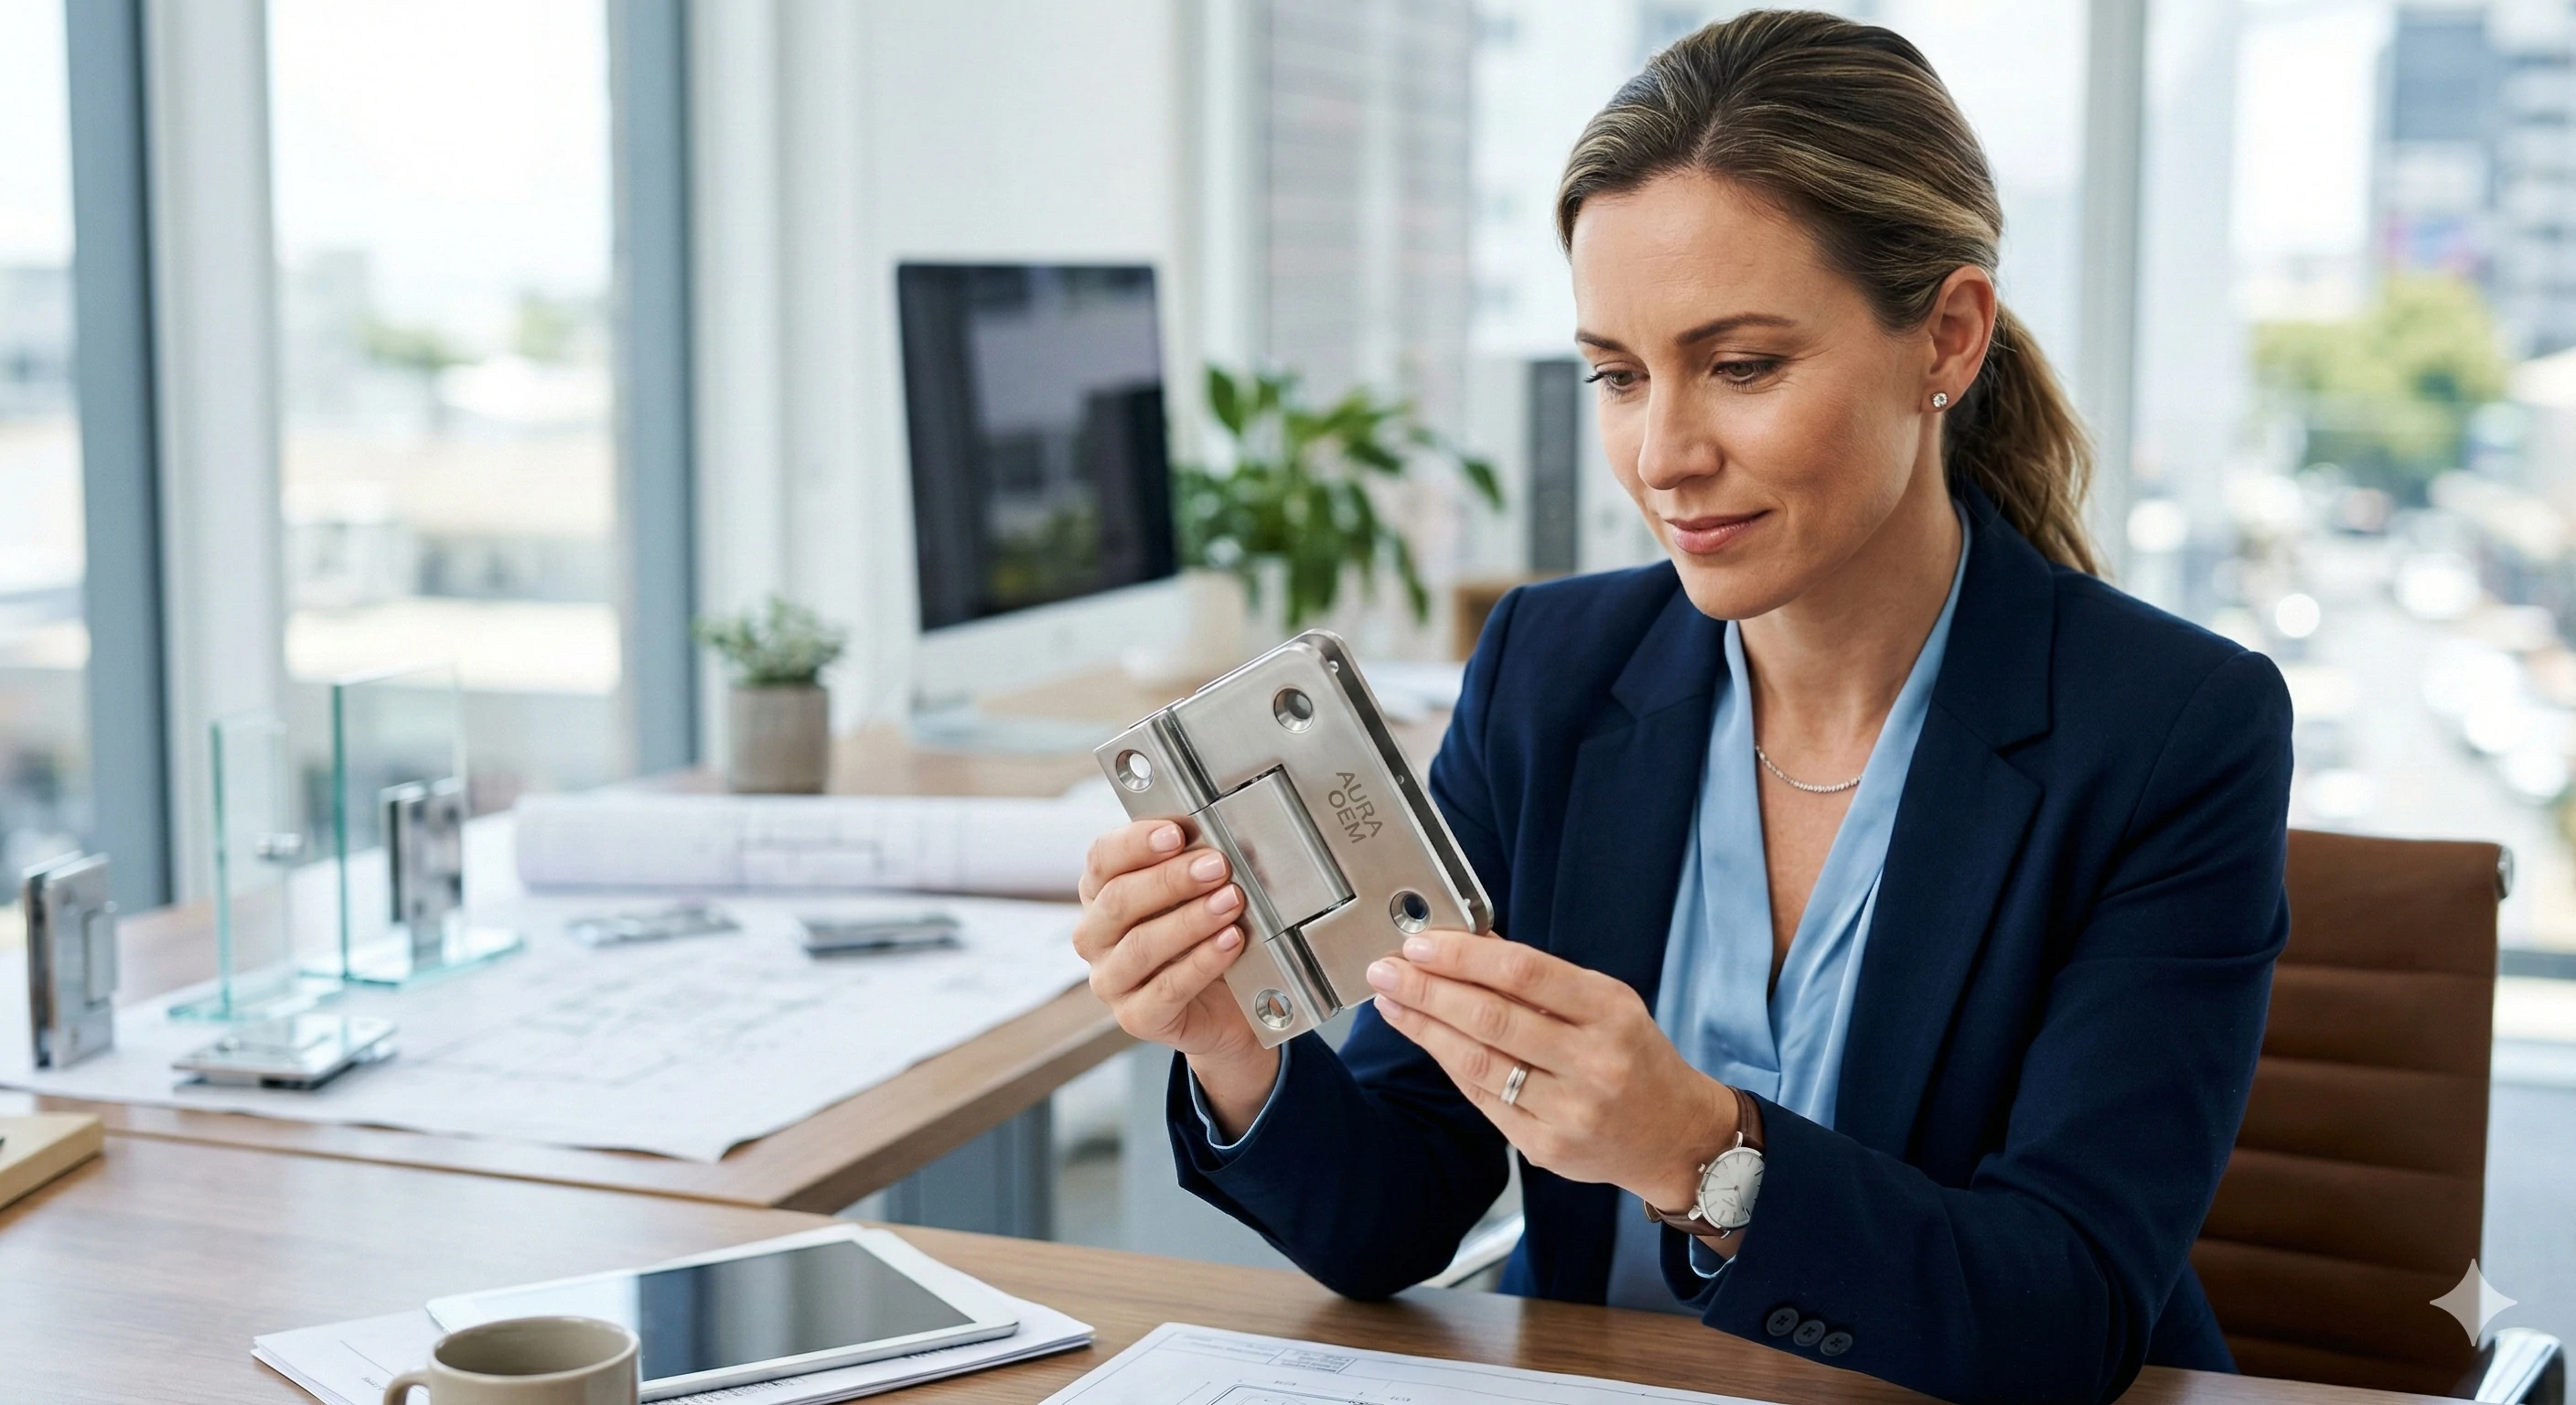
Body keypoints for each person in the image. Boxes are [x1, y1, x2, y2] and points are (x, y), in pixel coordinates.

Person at [1071, 13, 2291, 1405]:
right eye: (1619, 373)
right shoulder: (1550, 668)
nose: (1662, 456)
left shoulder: (2174, 730)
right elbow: (1394, 1213)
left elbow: (2065, 1311)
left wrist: (1699, 1157)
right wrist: (1233, 1046)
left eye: (1743, 366)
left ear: (1947, 339)